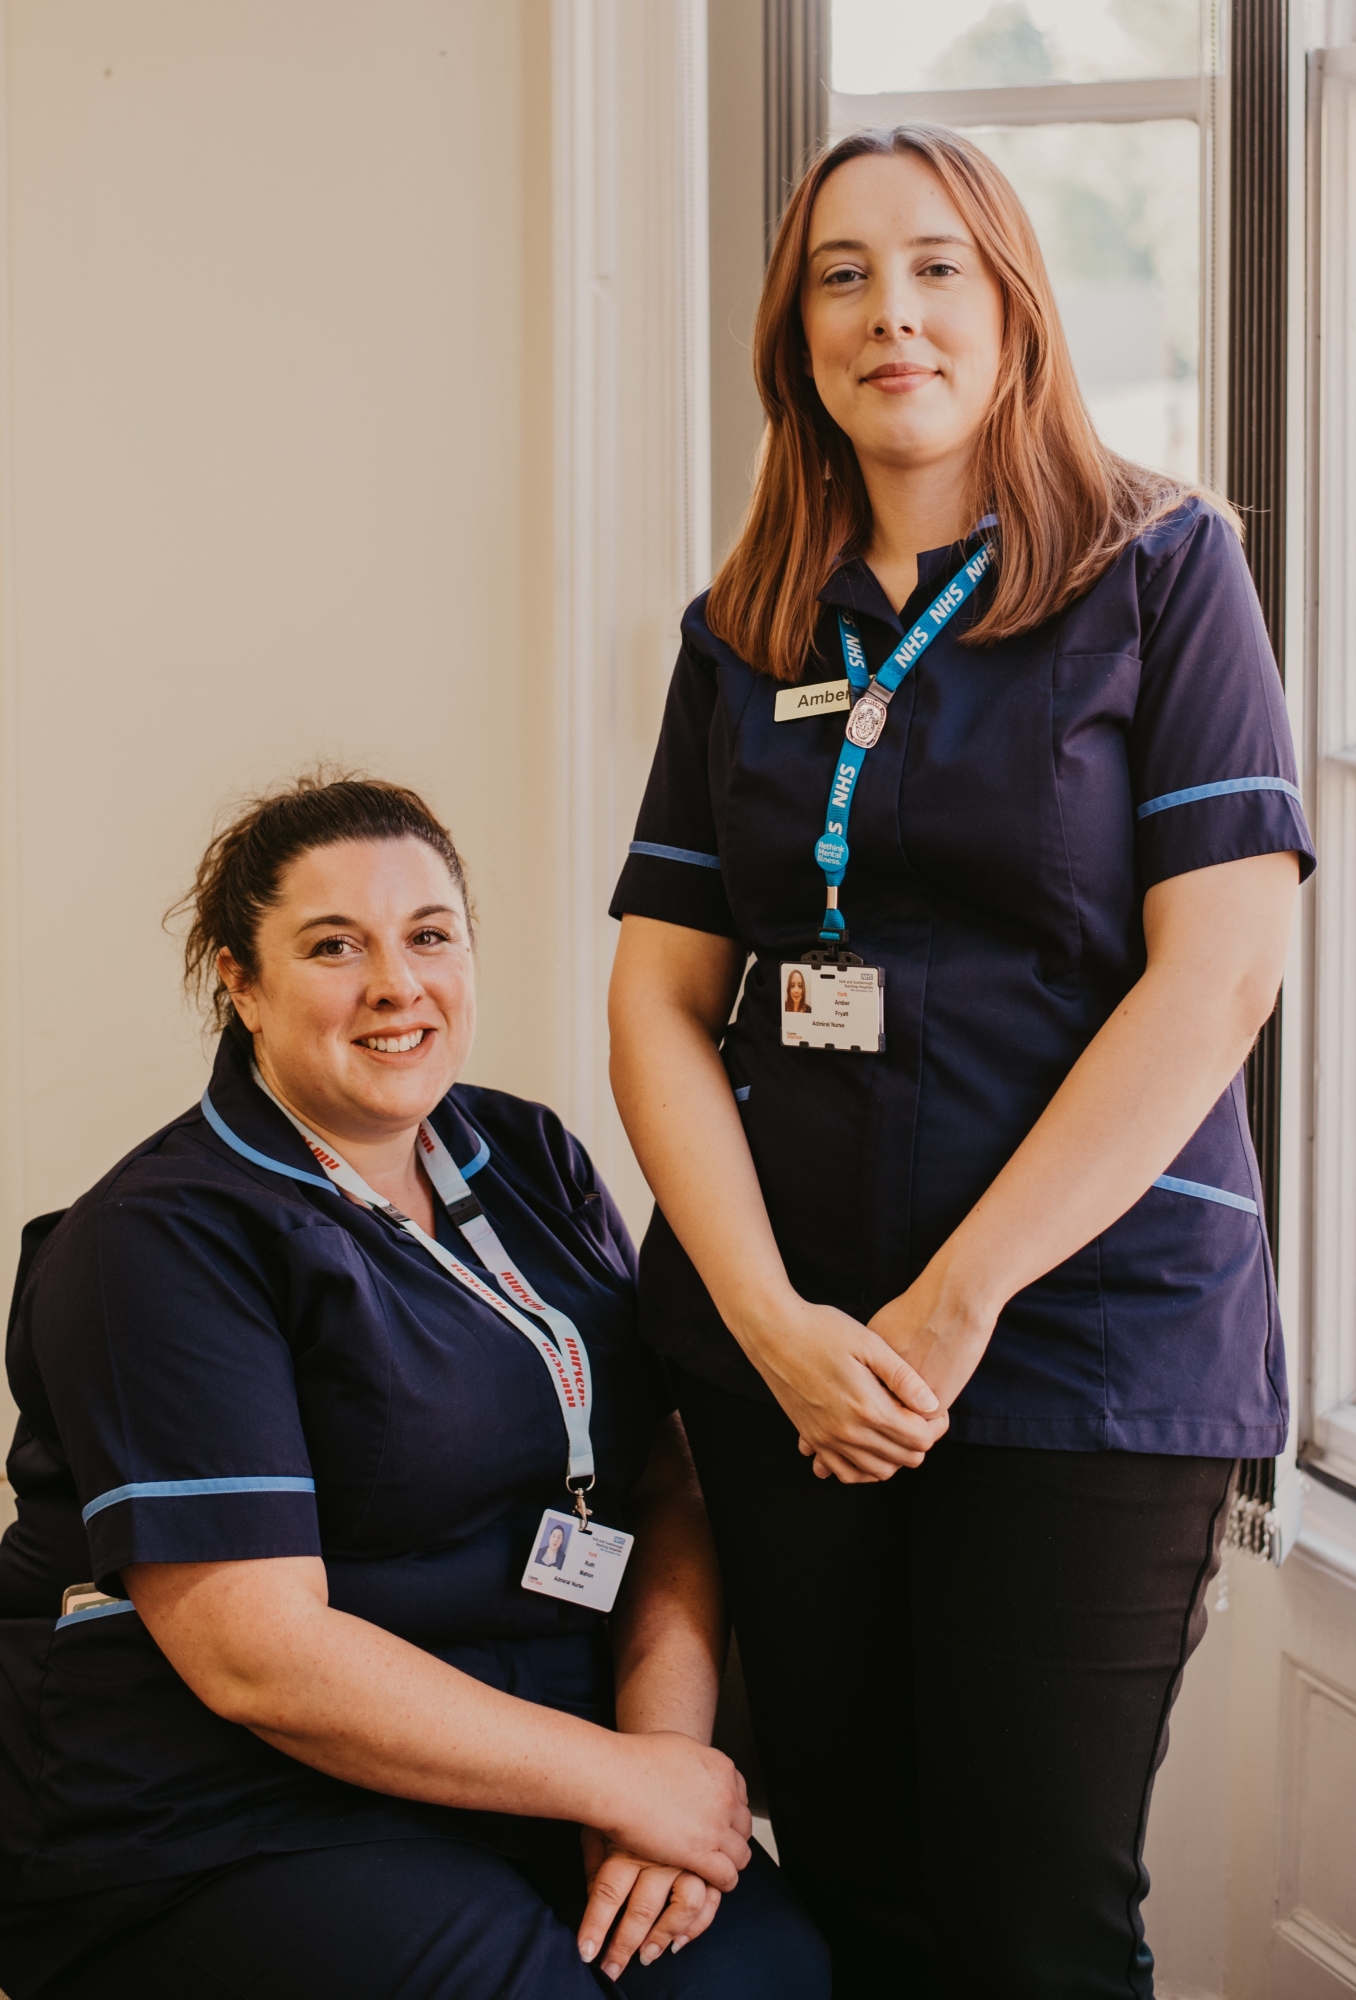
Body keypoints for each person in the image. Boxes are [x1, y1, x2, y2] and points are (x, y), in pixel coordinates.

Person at [607, 125, 1314, 1999]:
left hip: (1077, 1352)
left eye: (936, 268)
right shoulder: (742, 632)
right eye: (840, 275)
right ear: (794, 337)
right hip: (790, 1355)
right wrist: (765, 1321)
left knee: (1030, 1918)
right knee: (852, 1879)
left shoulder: (1163, 572)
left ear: (1014, 307)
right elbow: (661, 1003)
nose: (889, 312)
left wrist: (946, 1309)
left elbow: (1221, 976)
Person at [0, 776, 830, 2000]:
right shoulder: (161, 1239)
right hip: (223, 1795)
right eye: (335, 945)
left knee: (760, 1975)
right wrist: (609, 1780)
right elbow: (255, 1655)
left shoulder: (530, 1154)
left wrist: (656, 1755)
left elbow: (666, 1478)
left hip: (534, 1753)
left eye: (430, 934)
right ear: (239, 979)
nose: (398, 983)